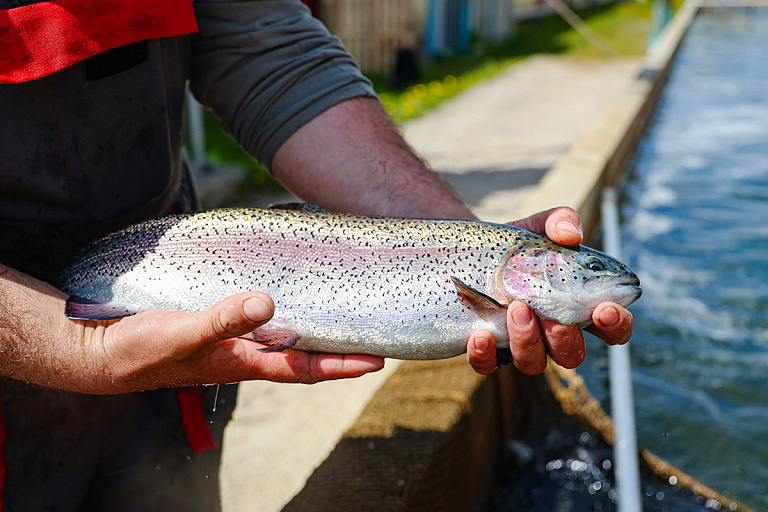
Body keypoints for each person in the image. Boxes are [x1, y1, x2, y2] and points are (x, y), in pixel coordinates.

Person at [0, 0, 633, 509]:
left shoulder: (499, 277)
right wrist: (70, 347)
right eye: (587, 271)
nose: (602, 280)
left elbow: (270, 51)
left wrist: (455, 233)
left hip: (162, 327)